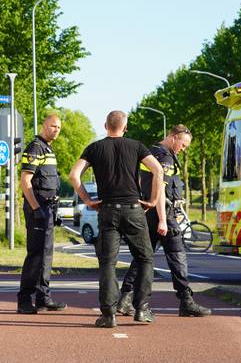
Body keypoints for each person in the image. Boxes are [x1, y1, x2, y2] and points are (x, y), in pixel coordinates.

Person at [69, 110, 165, 328]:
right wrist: (152, 199)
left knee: (108, 263)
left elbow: (74, 175)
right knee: (145, 258)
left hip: (108, 210)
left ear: (105, 125)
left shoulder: (94, 148)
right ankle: (141, 309)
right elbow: (158, 170)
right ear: (125, 127)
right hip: (134, 209)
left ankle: (108, 315)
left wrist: (87, 200)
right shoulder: (137, 146)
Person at [118, 125, 212, 317]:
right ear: (173, 137)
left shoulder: (150, 153)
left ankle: (124, 299)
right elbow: (160, 189)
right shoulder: (166, 158)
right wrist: (163, 219)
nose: (183, 149)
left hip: (150, 213)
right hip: (164, 215)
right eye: (183, 145)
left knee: (142, 258)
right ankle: (186, 301)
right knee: (178, 257)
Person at [17, 114, 67, 314]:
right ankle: (24, 300)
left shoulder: (48, 148)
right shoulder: (35, 147)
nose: (56, 130)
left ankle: (43, 297)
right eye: (53, 126)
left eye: (59, 127)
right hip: (38, 208)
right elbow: (25, 181)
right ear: (43, 126)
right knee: (36, 255)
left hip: (48, 208)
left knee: (46, 255)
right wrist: (36, 209)